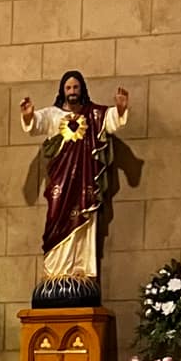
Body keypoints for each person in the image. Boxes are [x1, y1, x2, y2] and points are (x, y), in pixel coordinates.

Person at [20, 71, 130, 307]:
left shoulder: (93, 114)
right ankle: (54, 273)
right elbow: (37, 123)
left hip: (84, 183)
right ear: (63, 91)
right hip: (60, 182)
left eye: (76, 87)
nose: (72, 91)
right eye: (68, 88)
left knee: (83, 221)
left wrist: (120, 109)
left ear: (82, 90)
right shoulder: (53, 114)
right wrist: (29, 116)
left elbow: (110, 119)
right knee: (55, 219)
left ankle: (79, 271)